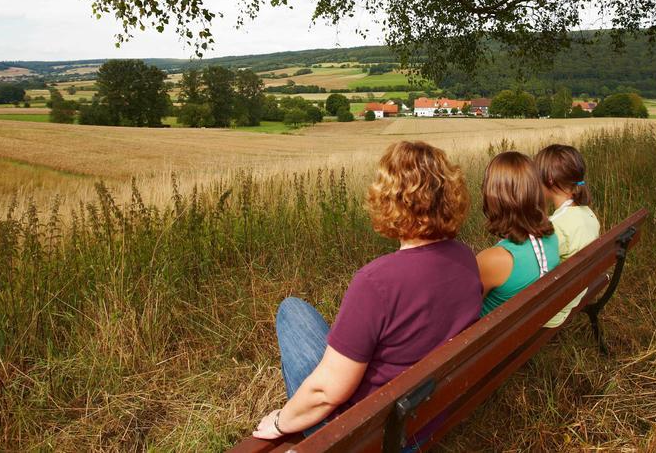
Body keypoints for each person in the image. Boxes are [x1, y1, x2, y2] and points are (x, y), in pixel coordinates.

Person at [253, 141, 481, 442]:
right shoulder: (465, 257)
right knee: (306, 317)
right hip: (427, 414)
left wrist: (281, 421)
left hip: (368, 436)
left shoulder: (376, 282)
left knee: (291, 311)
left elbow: (326, 392)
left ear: (388, 199)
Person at [475, 151, 561, 316]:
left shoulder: (493, 260)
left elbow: (463, 310)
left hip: (495, 339)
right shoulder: (551, 238)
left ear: (493, 197)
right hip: (526, 329)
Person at [534, 143, 602, 328]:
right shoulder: (587, 213)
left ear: (548, 180)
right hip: (576, 292)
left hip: (555, 311)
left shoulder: (557, 226)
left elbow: (536, 271)